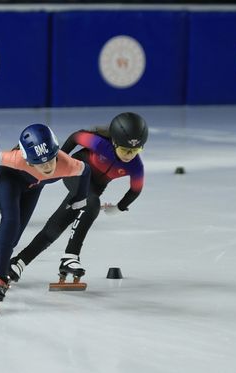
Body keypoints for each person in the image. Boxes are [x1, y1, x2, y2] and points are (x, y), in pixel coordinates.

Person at [0, 123, 91, 314]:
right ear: (27, 160)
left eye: (50, 159)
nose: (47, 167)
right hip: (9, 180)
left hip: (33, 188)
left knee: (10, 240)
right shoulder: (16, 159)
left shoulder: (66, 163)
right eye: (39, 162)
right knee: (10, 224)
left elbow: (86, 170)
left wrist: (81, 197)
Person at [8, 112, 147, 283]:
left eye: (136, 150)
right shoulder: (99, 143)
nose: (130, 155)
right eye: (126, 149)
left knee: (58, 224)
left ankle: (19, 262)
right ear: (114, 142)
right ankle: (71, 256)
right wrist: (58, 161)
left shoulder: (136, 166)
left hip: (94, 189)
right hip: (76, 172)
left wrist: (119, 207)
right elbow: (75, 137)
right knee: (92, 203)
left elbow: (136, 189)